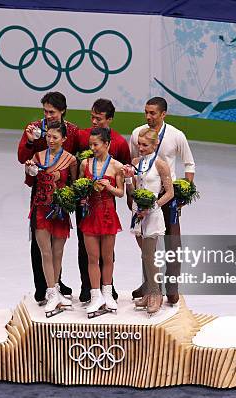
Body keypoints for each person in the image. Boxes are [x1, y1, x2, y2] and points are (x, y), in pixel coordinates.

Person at [129, 97, 196, 305]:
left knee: (172, 242)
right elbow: (135, 164)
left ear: (163, 114)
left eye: (153, 113)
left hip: (168, 195)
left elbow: (189, 164)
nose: (148, 116)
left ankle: (172, 287)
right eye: (146, 112)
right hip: (145, 191)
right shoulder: (137, 134)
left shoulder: (176, 135)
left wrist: (184, 192)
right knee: (147, 243)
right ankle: (149, 284)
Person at [18, 92, 79, 304]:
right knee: (40, 244)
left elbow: (79, 158)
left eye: (52, 112)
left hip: (62, 194)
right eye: (45, 111)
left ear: (62, 111)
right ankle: (41, 287)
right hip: (41, 192)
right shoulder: (35, 128)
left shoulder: (72, 131)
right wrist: (29, 140)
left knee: (58, 245)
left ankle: (57, 283)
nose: (48, 115)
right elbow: (22, 157)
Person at [76, 99, 131, 303]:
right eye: (92, 117)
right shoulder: (84, 144)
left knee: (107, 254)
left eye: (98, 118)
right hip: (87, 206)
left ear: (109, 119)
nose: (94, 121)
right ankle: (90, 290)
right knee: (88, 251)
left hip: (107, 207)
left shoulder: (119, 146)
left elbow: (126, 174)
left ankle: (108, 290)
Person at [123, 128, 174, 316]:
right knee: (144, 255)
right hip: (138, 214)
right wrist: (128, 178)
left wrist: (152, 206)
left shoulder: (161, 165)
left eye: (145, 145)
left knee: (149, 255)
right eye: (139, 144)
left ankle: (156, 293)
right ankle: (148, 290)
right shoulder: (136, 162)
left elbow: (170, 193)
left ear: (155, 144)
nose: (141, 148)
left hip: (152, 215)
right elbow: (132, 191)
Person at [78, 127, 125, 318]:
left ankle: (108, 293)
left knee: (107, 257)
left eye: (96, 144)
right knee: (92, 257)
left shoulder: (117, 166)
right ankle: (95, 295)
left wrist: (110, 187)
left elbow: (121, 193)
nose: (92, 147)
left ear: (107, 144)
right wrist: (82, 194)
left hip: (107, 213)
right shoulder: (85, 164)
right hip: (90, 213)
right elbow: (80, 186)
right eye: (90, 144)